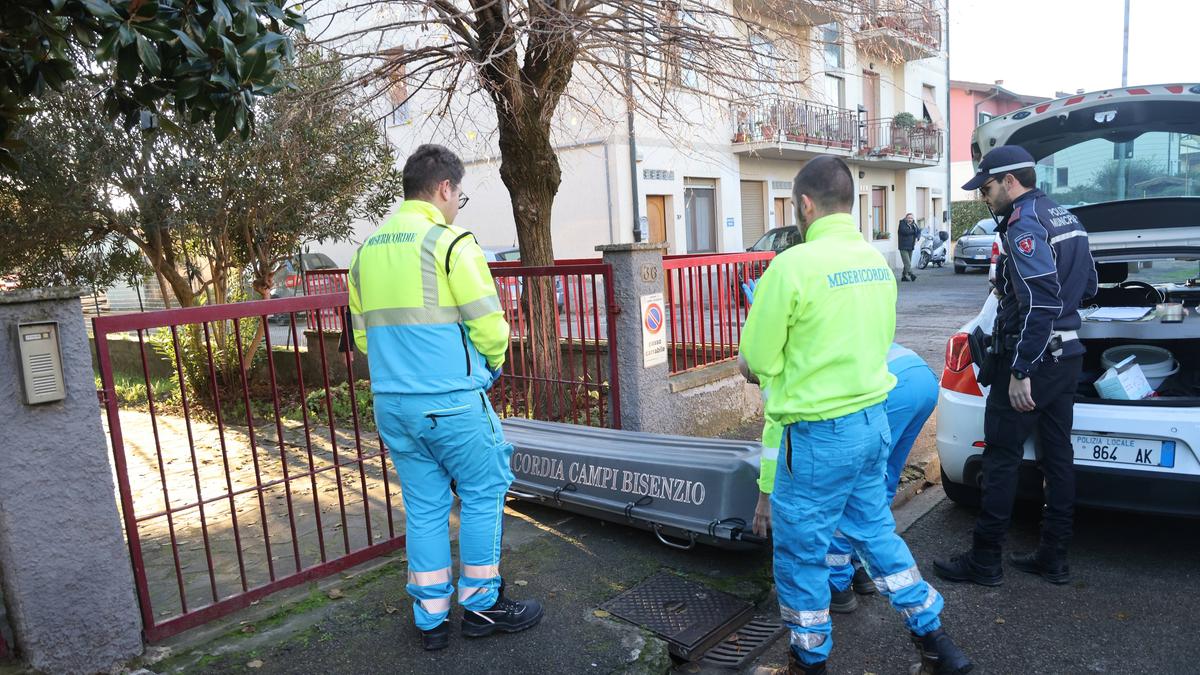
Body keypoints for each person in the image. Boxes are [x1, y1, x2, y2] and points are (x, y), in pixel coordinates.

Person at [740, 156, 971, 675]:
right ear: (851, 202)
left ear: (804, 205)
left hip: (817, 439)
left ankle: (809, 659)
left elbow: (757, 360)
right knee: (876, 535)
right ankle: (936, 643)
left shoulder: (791, 266)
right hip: (872, 427)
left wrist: (768, 364)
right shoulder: (876, 263)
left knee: (802, 554)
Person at [348, 144, 543, 651]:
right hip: (451, 402)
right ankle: (482, 608)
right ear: (443, 189)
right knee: (482, 491)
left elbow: (364, 339)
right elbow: (491, 328)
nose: (458, 203)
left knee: (426, 508)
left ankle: (431, 619)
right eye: (460, 194)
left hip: (393, 404)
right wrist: (490, 368)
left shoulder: (365, 254)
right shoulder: (450, 243)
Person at [934, 145, 1097, 587]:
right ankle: (1054, 558)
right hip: (1068, 357)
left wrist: (1022, 368)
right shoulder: (1065, 216)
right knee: (1058, 457)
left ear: (1010, 182)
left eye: (987, 189)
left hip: (1034, 360)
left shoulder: (1024, 224)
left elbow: (1042, 300)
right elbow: (1089, 287)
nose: (985, 198)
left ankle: (985, 560)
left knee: (1002, 457)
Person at [748, 343, 939, 615]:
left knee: (846, 491)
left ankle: (838, 584)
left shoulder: (776, 373)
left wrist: (765, 494)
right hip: (923, 380)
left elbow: (775, 438)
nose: (752, 383)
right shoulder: (812, 345)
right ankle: (861, 570)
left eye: (749, 378)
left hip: (891, 388)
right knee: (880, 480)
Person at [898, 213, 921, 282]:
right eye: (909, 218)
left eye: (911, 218)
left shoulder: (914, 225)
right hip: (903, 247)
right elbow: (905, 232)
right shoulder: (902, 224)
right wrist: (914, 231)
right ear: (906, 218)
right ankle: (911, 274)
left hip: (911, 246)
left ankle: (904, 276)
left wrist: (918, 237)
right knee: (907, 262)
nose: (910, 219)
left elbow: (919, 231)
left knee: (907, 263)